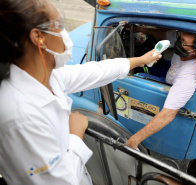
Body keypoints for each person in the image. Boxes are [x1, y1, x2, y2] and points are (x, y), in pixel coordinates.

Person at [0, 0, 161, 185]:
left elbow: (93, 71)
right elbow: (59, 181)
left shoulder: (48, 76)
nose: (64, 33)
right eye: (58, 24)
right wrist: (75, 134)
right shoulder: (19, 117)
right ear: (38, 37)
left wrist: (139, 60)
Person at [126, 25, 196, 149]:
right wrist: (140, 29)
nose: (178, 41)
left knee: (139, 75)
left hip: (171, 81)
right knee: (143, 64)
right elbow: (166, 35)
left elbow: (167, 115)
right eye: (180, 37)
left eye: (183, 41)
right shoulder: (186, 45)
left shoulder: (188, 79)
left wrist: (134, 140)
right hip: (170, 71)